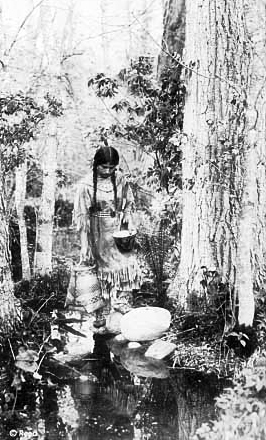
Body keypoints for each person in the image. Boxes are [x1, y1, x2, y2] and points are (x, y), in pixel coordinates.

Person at [67, 145, 142, 325]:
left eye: (111, 167)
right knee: (100, 271)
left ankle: (123, 302)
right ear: (96, 164)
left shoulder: (120, 179)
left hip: (118, 231)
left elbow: (129, 202)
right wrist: (85, 245)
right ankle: (101, 311)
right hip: (97, 233)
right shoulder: (85, 185)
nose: (108, 171)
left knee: (128, 263)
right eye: (104, 167)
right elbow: (82, 217)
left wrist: (128, 216)